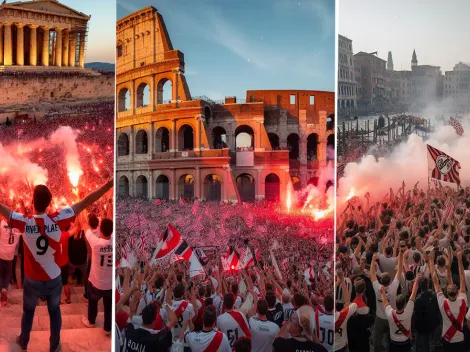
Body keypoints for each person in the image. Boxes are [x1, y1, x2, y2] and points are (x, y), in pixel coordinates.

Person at [0, 179, 113, 352]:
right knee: (54, 313)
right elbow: (86, 201)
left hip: (32, 280)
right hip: (53, 279)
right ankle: (54, 345)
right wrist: (107, 185)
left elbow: (3, 209)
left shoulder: (24, 221)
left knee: (28, 311)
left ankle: (24, 341)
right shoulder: (59, 217)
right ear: (49, 203)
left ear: (32, 201)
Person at [82, 218, 114, 335]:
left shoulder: (95, 242)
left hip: (96, 282)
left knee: (93, 303)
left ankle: (91, 321)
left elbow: (85, 226)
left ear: (100, 229)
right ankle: (107, 329)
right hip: (110, 284)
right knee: (108, 307)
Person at [431, 250, 467, 352]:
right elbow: (462, 279)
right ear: (457, 293)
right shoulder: (463, 301)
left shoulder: (443, 303)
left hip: (447, 338)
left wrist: (431, 260)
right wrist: (459, 260)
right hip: (460, 338)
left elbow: (435, 281)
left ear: (447, 292)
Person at [382, 272, 420, 352]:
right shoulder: (409, 311)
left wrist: (382, 291)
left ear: (396, 304)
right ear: (404, 304)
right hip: (405, 343)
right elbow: (413, 293)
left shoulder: (390, 313)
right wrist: (416, 280)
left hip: (393, 343)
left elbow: (385, 302)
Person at [0, 214, 21, 305]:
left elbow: (3, 219)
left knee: (0, 274)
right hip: (10, 256)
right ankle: (5, 288)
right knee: (8, 273)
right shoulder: (17, 231)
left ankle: (2, 289)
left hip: (1, 254)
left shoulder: (2, 226)